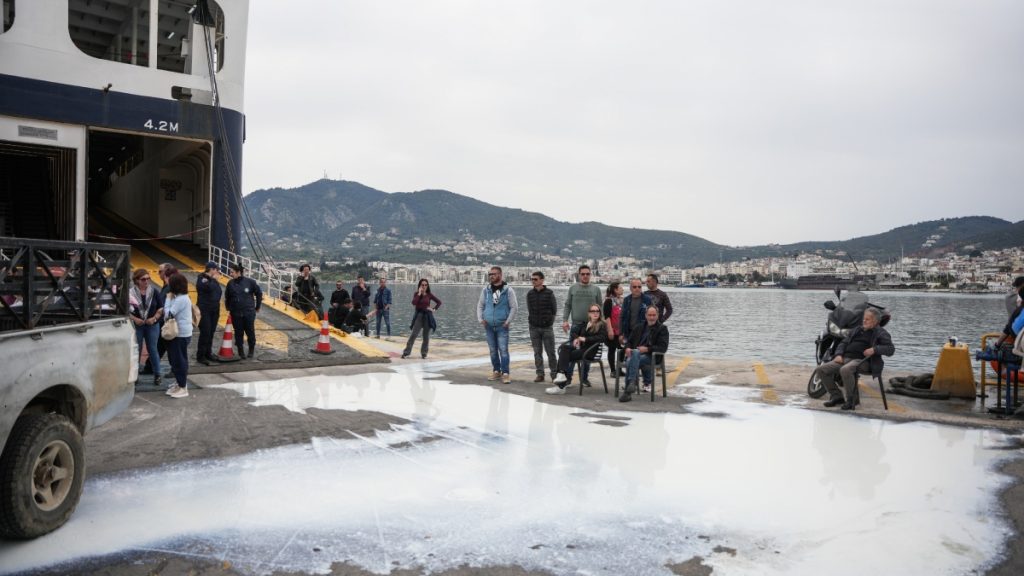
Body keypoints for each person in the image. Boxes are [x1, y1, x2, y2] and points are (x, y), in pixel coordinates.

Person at [812, 307, 895, 411]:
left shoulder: (881, 333)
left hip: (864, 361)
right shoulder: (857, 329)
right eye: (864, 318)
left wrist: (875, 349)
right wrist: (839, 354)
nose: (864, 320)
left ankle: (852, 400)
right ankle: (837, 396)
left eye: (867, 319)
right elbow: (844, 342)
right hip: (845, 359)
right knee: (821, 369)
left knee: (845, 369)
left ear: (875, 321)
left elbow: (890, 349)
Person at [545, 305, 607, 394]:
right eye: (593, 311)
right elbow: (573, 332)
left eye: (597, 311)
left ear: (600, 313)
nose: (595, 313)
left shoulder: (602, 324)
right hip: (583, 350)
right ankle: (561, 377)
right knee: (564, 348)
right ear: (589, 313)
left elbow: (602, 338)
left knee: (564, 355)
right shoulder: (586, 324)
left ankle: (560, 383)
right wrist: (577, 338)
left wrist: (584, 339)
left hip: (591, 352)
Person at [620, 306, 670, 402]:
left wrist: (647, 349)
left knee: (632, 359)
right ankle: (630, 385)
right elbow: (629, 341)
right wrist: (627, 348)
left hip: (651, 356)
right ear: (646, 315)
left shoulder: (662, 329)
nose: (652, 317)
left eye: (654, 315)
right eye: (650, 315)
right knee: (634, 354)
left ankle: (629, 387)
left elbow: (663, 348)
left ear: (658, 315)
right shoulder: (639, 327)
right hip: (636, 354)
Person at [477, 266, 518, 384]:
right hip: (489, 326)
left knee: (503, 350)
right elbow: (480, 305)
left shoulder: (508, 290)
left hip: (502, 326)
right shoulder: (486, 290)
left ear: (500, 275)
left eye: (493, 274)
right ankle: (496, 371)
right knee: (493, 350)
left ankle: (506, 373)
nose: (491, 276)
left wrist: (508, 321)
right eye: (490, 274)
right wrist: (481, 319)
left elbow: (514, 307)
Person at [129, 268, 164, 386]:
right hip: (137, 325)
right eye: (143, 279)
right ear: (137, 280)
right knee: (136, 350)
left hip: (152, 325)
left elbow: (161, 308)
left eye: (148, 278)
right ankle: (135, 375)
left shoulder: (154, 292)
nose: (146, 281)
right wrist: (135, 319)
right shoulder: (130, 293)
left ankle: (158, 374)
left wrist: (154, 318)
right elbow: (124, 310)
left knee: (152, 349)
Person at [163, 272, 193, 398]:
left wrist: (168, 299)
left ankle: (182, 386)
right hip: (180, 333)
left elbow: (168, 314)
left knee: (179, 360)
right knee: (175, 359)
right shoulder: (181, 297)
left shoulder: (180, 299)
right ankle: (179, 383)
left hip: (180, 334)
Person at [224, 262, 262, 359]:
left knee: (250, 331)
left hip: (248, 312)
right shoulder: (230, 283)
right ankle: (241, 351)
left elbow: (259, 294)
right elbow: (227, 297)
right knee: (238, 332)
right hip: (236, 313)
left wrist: (257, 307)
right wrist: (228, 308)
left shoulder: (250, 282)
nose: (230, 274)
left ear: (238, 272)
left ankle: (251, 350)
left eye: (232, 272)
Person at [526, 271, 558, 382]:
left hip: (547, 327)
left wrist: (549, 323)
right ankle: (540, 374)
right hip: (534, 327)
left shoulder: (549, 293)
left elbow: (554, 310)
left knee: (551, 352)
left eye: (535, 279)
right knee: (537, 352)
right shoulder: (530, 294)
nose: (533, 281)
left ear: (542, 280)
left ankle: (554, 374)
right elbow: (529, 309)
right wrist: (532, 322)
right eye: (532, 279)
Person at [403, 278, 442, 359]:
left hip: (427, 316)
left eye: (425, 285)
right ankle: (406, 352)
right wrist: (419, 293)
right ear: (420, 286)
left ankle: (424, 353)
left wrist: (433, 309)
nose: (424, 286)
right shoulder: (416, 294)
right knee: (414, 334)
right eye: (422, 285)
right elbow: (414, 303)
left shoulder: (429, 295)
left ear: (427, 286)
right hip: (419, 316)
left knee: (426, 337)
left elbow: (439, 302)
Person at [194, 261, 222, 366]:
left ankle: (208, 353)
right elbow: (209, 288)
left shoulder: (211, 280)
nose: (217, 271)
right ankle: (200, 356)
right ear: (211, 269)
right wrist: (214, 280)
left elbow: (218, 292)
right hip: (204, 310)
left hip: (214, 310)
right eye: (216, 269)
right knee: (205, 332)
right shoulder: (202, 279)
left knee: (211, 332)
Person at [619, 278, 653, 352]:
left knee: (639, 355)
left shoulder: (648, 300)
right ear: (630, 288)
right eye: (634, 287)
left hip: (642, 333)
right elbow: (622, 317)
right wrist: (621, 334)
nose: (637, 289)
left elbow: (652, 317)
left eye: (639, 287)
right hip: (629, 333)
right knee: (628, 354)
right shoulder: (626, 300)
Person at [994, 277, 1024, 348]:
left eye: (1017, 287)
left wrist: (997, 344)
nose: (1016, 289)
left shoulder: (1010, 297)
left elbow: (1010, 326)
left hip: (1016, 335)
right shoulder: (1014, 297)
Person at [602, 281, 624, 375]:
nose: (622, 289)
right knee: (612, 349)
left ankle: (619, 369)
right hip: (612, 330)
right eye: (620, 288)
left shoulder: (622, 300)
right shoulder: (609, 301)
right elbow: (607, 317)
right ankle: (613, 370)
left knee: (622, 349)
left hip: (620, 330)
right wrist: (610, 330)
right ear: (615, 290)